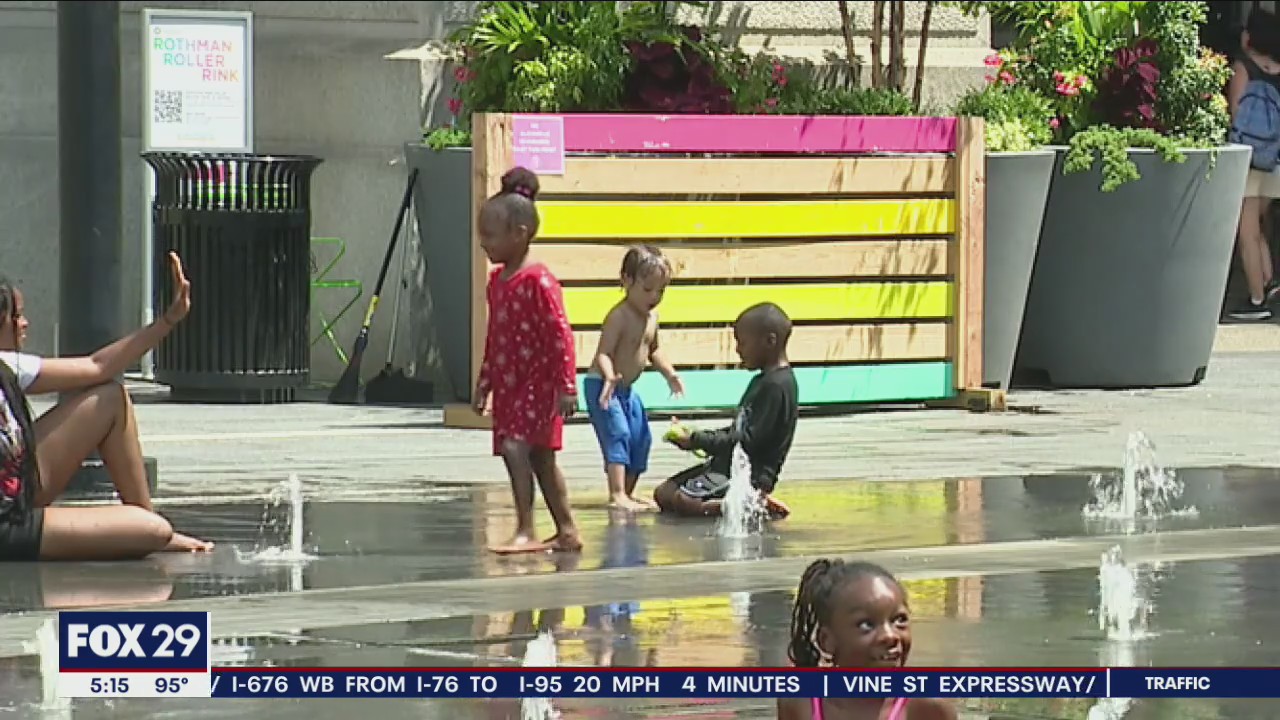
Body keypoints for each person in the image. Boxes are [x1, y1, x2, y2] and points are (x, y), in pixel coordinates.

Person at [0, 252, 213, 561]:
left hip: (17, 489)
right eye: (16, 316)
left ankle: (146, 522)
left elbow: (97, 366)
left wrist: (168, 321)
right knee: (154, 530)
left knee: (110, 399)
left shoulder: (7, 364)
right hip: (7, 525)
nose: (25, 324)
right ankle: (149, 532)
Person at [471, 166, 583, 555]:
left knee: (517, 448)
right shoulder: (497, 282)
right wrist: (485, 382)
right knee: (540, 458)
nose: (483, 243)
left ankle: (525, 529)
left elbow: (560, 334)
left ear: (519, 233)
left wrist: (567, 386)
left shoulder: (539, 281)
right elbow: (495, 336)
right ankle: (566, 530)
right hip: (509, 386)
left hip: (538, 383)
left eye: (490, 235)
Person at [655, 302, 797, 518]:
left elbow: (746, 441)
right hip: (726, 465)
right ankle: (742, 501)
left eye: (743, 343)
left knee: (684, 501)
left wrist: (698, 440)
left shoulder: (777, 387)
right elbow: (738, 431)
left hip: (750, 474)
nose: (738, 349)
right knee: (664, 494)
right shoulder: (762, 381)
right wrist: (695, 438)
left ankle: (753, 504)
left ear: (770, 341)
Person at [777, 559, 957, 720]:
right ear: (826, 641)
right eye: (866, 624)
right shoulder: (801, 700)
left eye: (899, 620)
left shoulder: (927, 706)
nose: (890, 635)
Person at [585, 244, 683, 512]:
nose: (655, 297)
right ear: (627, 281)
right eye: (648, 289)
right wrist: (609, 377)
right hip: (602, 386)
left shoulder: (652, 318)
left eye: (661, 290)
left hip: (626, 390)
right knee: (618, 433)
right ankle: (616, 493)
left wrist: (670, 373)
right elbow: (603, 353)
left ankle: (628, 492)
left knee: (641, 437)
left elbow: (654, 350)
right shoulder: (619, 317)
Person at [1227, 8, 1280, 320]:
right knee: (1259, 227)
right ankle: (1269, 284)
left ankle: (1256, 300)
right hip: (1273, 157)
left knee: (1246, 230)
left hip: (1247, 156)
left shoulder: (1243, 67)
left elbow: (1236, 111)